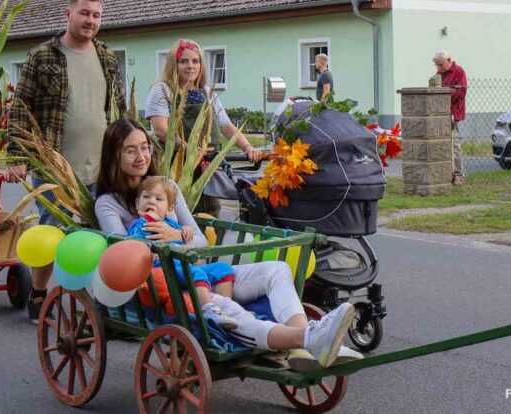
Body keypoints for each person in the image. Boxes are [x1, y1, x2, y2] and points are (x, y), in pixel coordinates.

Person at [95, 118, 363, 369]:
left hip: (199, 272)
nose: (141, 157)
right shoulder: (109, 204)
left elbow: (199, 241)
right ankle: (307, 339)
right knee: (231, 314)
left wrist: (176, 237)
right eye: (130, 151)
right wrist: (158, 245)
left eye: (144, 148)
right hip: (170, 287)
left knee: (277, 270)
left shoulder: (167, 187)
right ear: (114, 156)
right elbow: (124, 257)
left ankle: (301, 348)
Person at [6, 0, 127, 323]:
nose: (90, 20)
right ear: (68, 14)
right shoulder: (43, 56)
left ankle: (93, 299)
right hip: (55, 165)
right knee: (51, 230)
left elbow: (118, 109)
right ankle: (39, 292)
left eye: (97, 15)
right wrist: (17, 154)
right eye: (85, 13)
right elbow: (21, 107)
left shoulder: (105, 56)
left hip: (100, 165)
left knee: (97, 233)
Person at [145, 38, 261, 216]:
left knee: (209, 213)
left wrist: (247, 147)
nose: (190, 66)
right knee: (175, 214)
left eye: (195, 61)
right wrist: (190, 151)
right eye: (183, 61)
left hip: (205, 172)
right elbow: (162, 130)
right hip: (173, 170)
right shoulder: (162, 90)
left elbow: (226, 125)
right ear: (173, 64)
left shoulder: (206, 92)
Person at [126, 176, 238, 329]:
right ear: (138, 203)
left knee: (223, 268)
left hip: (181, 267)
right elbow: (135, 248)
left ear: (169, 209)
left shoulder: (171, 224)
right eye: (146, 197)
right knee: (196, 274)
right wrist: (147, 220)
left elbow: (189, 251)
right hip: (162, 270)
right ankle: (208, 311)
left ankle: (226, 308)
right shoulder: (139, 225)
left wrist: (184, 234)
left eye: (159, 199)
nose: (151, 201)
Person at [433, 50, 467, 185]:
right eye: (437, 65)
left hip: (453, 113)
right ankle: (446, 173)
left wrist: (444, 95)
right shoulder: (439, 74)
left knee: (454, 144)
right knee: (442, 144)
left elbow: (461, 92)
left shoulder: (458, 71)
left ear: (448, 60)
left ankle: (458, 175)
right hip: (440, 113)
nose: (439, 68)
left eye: (440, 65)